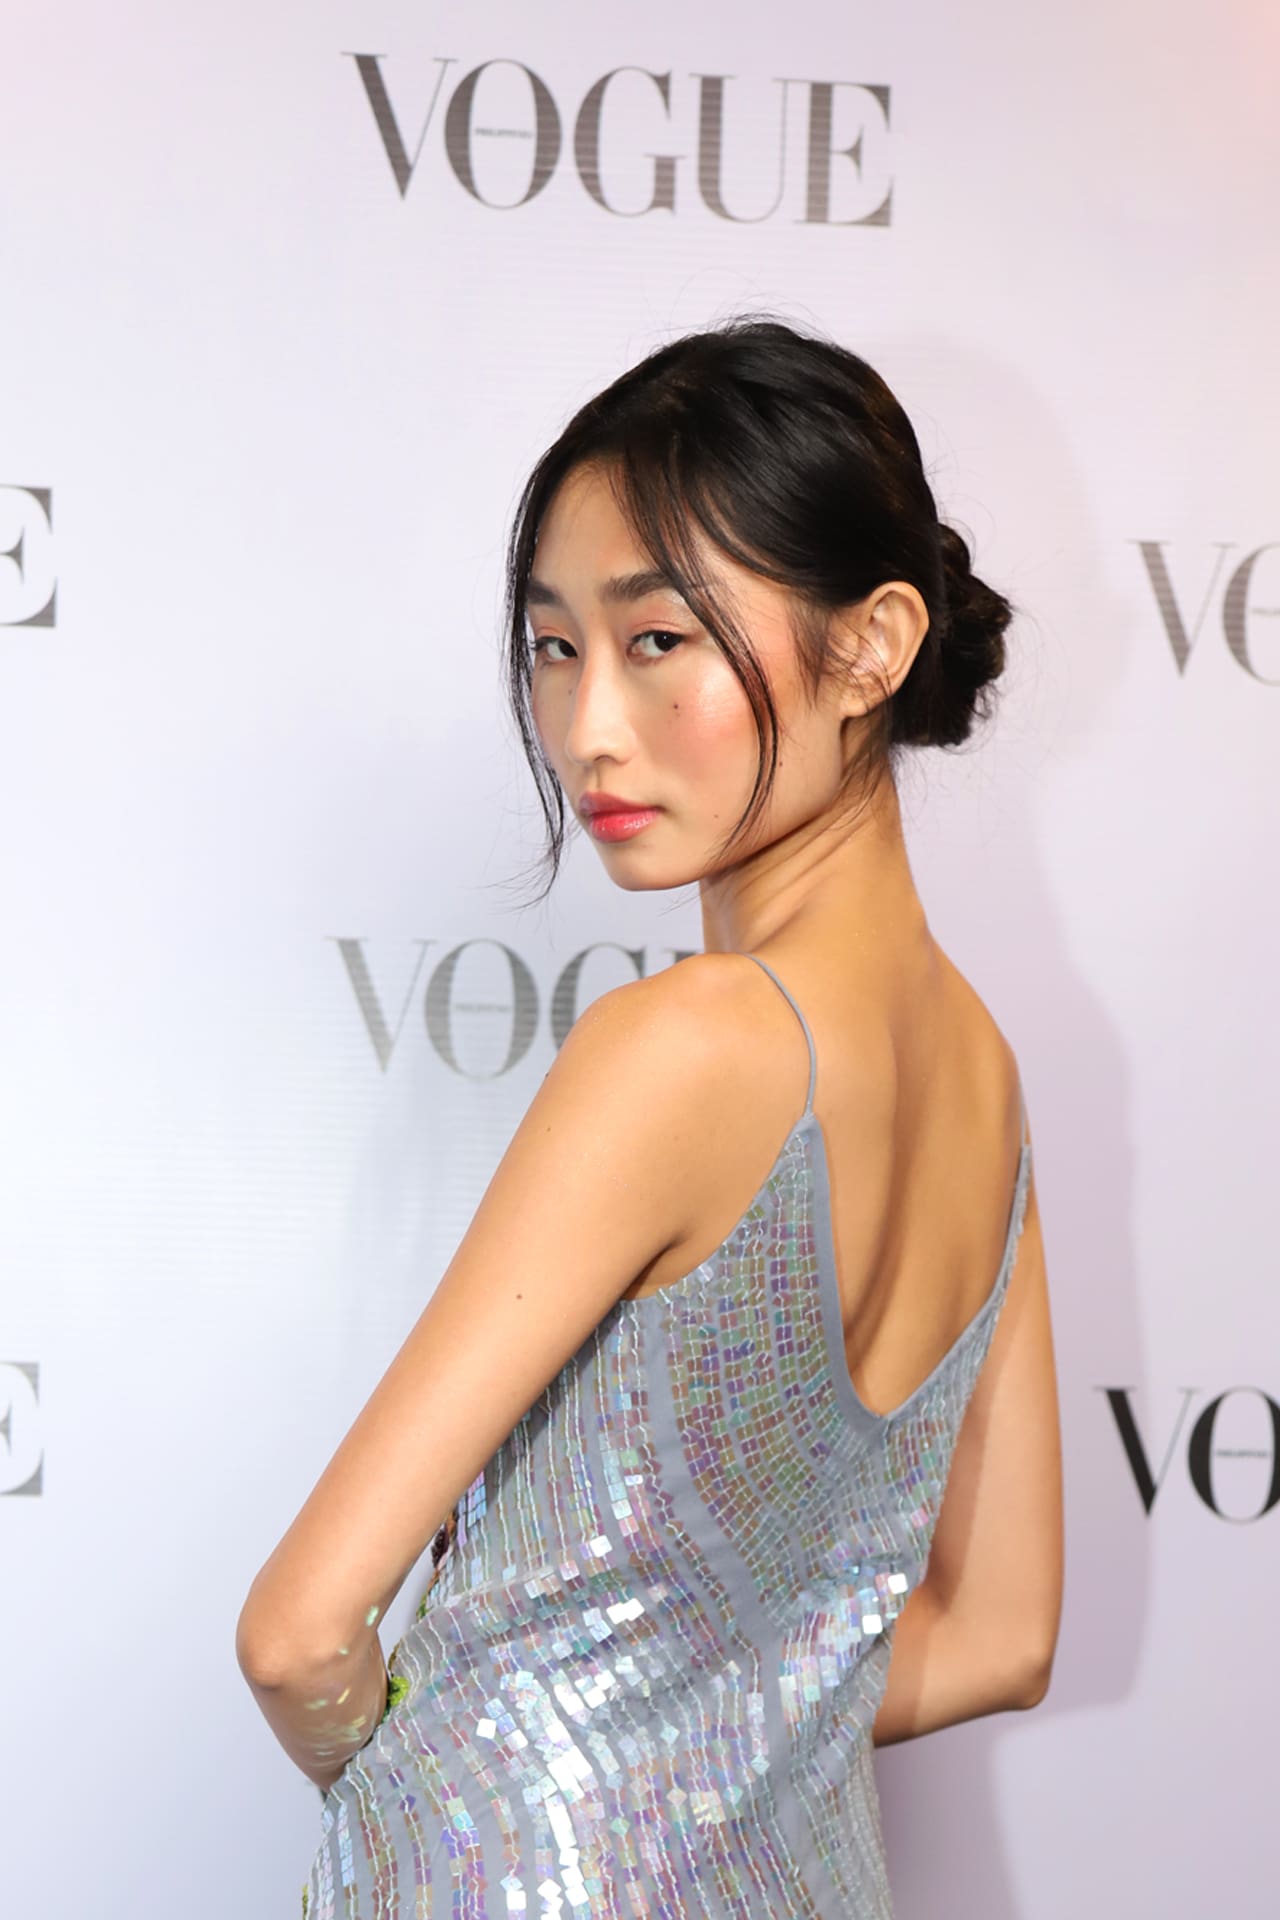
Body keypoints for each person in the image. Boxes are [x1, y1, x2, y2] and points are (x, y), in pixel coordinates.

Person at [236, 313, 1064, 1918]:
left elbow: (298, 1634)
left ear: (873, 646)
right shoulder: (987, 1073)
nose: (588, 727)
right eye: (555, 648)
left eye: (659, 640)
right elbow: (1000, 1632)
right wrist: (707, 1734)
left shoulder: (689, 1046)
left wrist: (479, 1785)